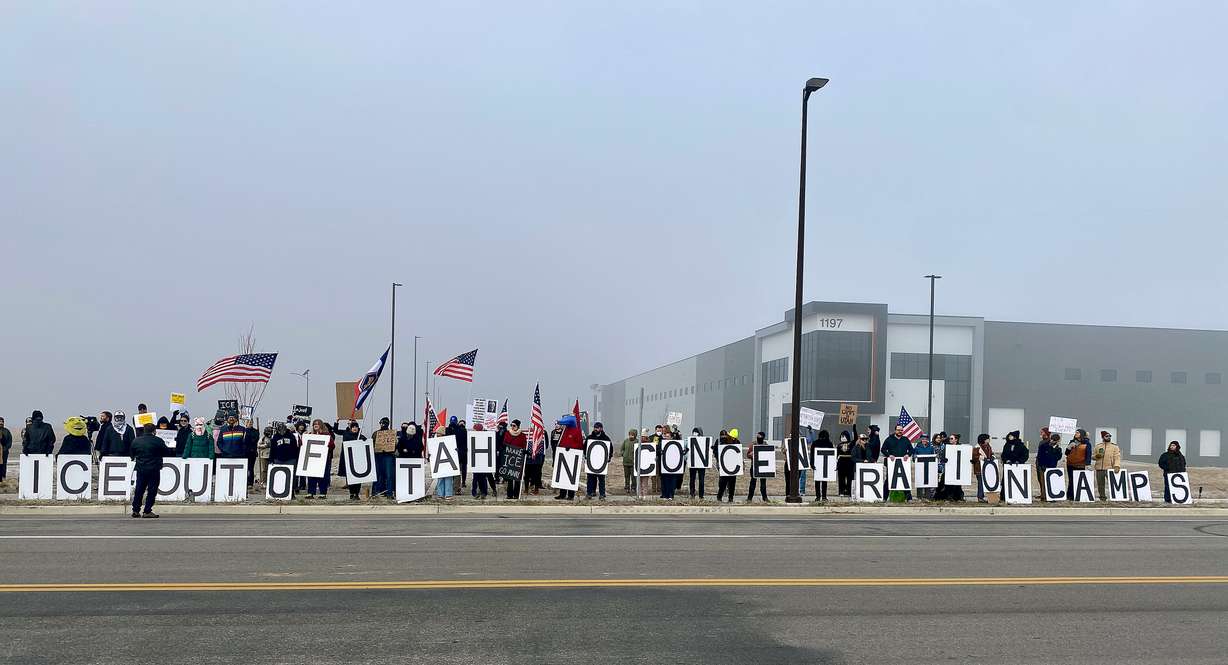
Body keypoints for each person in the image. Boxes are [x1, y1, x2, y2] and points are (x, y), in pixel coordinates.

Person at [130, 423, 168, 518]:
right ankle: (147, 511)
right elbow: (166, 452)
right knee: (152, 490)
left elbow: (131, 454)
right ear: (154, 431)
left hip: (141, 468)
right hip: (154, 469)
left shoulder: (136, 441)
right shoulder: (158, 441)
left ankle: (135, 510)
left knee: (139, 489)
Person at [554, 415, 584, 501]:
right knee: (563, 476)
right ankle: (562, 494)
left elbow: (580, 445)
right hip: (563, 456)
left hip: (572, 457)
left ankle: (571, 495)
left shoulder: (577, 432)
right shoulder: (565, 430)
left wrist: (570, 447)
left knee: (571, 476)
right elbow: (562, 441)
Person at [881, 425, 915, 502]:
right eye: (898, 430)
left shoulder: (905, 439)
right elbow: (883, 449)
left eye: (901, 430)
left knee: (905, 480)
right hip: (892, 464)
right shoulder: (889, 439)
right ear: (895, 430)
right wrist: (889, 455)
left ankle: (909, 498)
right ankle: (884, 498)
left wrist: (908, 454)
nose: (900, 431)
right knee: (889, 480)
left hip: (903, 463)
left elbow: (911, 450)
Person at [334, 420, 366, 500]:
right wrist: (337, 422)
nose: (355, 428)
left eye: (356, 427)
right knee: (351, 478)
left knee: (358, 477)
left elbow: (367, 444)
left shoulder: (361, 436)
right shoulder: (346, 434)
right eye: (353, 427)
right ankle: (352, 493)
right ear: (350, 428)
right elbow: (336, 431)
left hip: (358, 460)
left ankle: (356, 494)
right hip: (348, 459)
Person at [307, 420, 336, 498]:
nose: (316, 425)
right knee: (311, 476)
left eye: (317, 424)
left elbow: (332, 445)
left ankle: (323, 493)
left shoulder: (326, 435)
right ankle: (311, 492)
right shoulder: (310, 435)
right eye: (314, 424)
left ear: (321, 425)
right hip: (312, 458)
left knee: (323, 476)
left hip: (324, 458)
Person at [500, 420, 527, 500]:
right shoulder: (508, 433)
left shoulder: (522, 435)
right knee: (510, 477)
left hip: (518, 459)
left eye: (514, 425)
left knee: (517, 477)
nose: (512, 427)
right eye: (511, 425)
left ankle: (516, 494)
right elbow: (504, 442)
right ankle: (509, 494)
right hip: (509, 458)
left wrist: (524, 451)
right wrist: (504, 446)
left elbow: (524, 445)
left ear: (518, 426)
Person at [584, 421, 611, 500]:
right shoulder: (589, 438)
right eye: (595, 427)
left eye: (597, 428)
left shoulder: (606, 438)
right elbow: (585, 447)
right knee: (590, 479)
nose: (596, 429)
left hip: (601, 463)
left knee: (601, 480)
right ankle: (589, 493)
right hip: (591, 462)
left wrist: (609, 457)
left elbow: (610, 449)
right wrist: (586, 456)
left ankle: (602, 494)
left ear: (601, 428)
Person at [1092, 430, 1122, 500]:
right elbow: (1092, 456)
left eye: (1109, 436)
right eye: (1106, 436)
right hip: (1099, 468)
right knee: (1100, 485)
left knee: (1113, 483)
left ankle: (1116, 497)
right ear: (1103, 437)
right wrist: (1096, 456)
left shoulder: (1115, 447)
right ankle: (1102, 497)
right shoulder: (1098, 446)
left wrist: (1117, 466)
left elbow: (1117, 457)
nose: (1108, 437)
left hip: (1110, 468)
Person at [373, 417, 397, 498]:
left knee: (389, 475)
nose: (383, 425)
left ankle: (389, 493)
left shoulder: (392, 434)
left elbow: (395, 445)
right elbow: (372, 444)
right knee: (378, 475)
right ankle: (376, 492)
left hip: (388, 456)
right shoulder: (376, 433)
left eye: (385, 423)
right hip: (378, 456)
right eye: (382, 423)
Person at [470, 423, 495, 500]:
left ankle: (483, 492)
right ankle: (476, 492)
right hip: (476, 459)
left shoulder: (485, 437)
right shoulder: (472, 437)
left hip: (483, 460)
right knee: (476, 478)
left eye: (474, 429)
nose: (473, 430)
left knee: (482, 477)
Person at [1065, 429, 1093, 497]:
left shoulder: (1087, 443)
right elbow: (1066, 453)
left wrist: (1088, 464)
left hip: (1080, 464)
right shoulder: (1072, 442)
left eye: (1077, 432)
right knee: (1071, 480)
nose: (1076, 433)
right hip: (1070, 464)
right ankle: (1070, 495)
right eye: (1075, 432)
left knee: (1078, 480)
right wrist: (1069, 447)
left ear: (1081, 434)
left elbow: (1088, 454)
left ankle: (1078, 495)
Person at [1036, 432, 1063, 501]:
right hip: (1043, 466)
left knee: (1051, 482)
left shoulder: (1058, 448)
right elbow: (1040, 456)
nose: (1052, 441)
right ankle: (1043, 496)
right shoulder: (1044, 446)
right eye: (1052, 440)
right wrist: (1042, 465)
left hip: (1052, 467)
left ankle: (1051, 495)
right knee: (1043, 482)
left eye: (1054, 440)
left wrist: (1055, 449)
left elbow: (1058, 457)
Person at [745, 432, 771, 502]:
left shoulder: (765, 444)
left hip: (763, 467)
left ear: (763, 437)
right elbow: (748, 455)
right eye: (757, 436)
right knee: (753, 483)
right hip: (754, 466)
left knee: (763, 484)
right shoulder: (753, 444)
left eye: (760, 436)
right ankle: (749, 498)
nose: (758, 437)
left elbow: (769, 454)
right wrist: (751, 454)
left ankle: (764, 497)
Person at [432, 425, 455, 500]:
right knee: (440, 478)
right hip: (439, 462)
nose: (437, 435)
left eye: (439, 433)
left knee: (448, 478)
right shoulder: (435, 441)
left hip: (448, 462)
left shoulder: (449, 441)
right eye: (437, 433)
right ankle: (440, 494)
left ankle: (448, 494)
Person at [715, 430, 738, 502]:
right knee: (723, 481)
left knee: (732, 482)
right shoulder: (720, 441)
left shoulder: (736, 442)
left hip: (732, 465)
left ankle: (730, 497)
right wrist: (718, 460)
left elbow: (738, 453)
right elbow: (715, 451)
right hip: (724, 464)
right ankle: (719, 496)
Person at [446, 416, 469, 490]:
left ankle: (450, 487)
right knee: (458, 471)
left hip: (450, 453)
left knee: (452, 471)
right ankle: (457, 487)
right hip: (460, 453)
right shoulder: (461, 430)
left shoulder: (447, 430)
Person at [811, 429, 834, 501]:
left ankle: (818, 496)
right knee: (824, 481)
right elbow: (832, 456)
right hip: (826, 465)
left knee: (817, 481)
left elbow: (812, 455)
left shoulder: (815, 443)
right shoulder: (829, 443)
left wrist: (812, 463)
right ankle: (824, 496)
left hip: (817, 464)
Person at [972, 434, 994, 503]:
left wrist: (992, 456)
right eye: (988, 438)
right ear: (984, 439)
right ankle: (980, 497)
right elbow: (974, 456)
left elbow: (991, 454)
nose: (989, 440)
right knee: (981, 483)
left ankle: (990, 497)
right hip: (979, 468)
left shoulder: (988, 447)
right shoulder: (977, 447)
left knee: (987, 483)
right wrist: (982, 458)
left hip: (987, 468)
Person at [687, 426, 707, 500]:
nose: (695, 434)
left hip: (701, 464)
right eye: (694, 432)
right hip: (693, 463)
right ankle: (692, 493)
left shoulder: (704, 441)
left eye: (697, 432)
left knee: (701, 480)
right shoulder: (690, 441)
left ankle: (701, 495)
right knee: (692, 479)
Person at [835, 430, 855, 496]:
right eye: (841, 436)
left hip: (849, 462)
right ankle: (841, 491)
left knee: (850, 478)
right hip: (841, 462)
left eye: (844, 436)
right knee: (841, 478)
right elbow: (836, 455)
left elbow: (855, 439)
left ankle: (849, 491)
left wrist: (854, 429)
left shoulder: (851, 444)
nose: (842, 438)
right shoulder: (839, 445)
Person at [242, 418, 260, 489]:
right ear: (245, 423)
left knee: (250, 468)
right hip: (244, 452)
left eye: (251, 422)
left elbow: (254, 440)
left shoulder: (255, 431)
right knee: (245, 467)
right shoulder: (243, 431)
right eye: (248, 422)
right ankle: (244, 481)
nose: (250, 423)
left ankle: (250, 483)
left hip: (252, 452)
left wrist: (248, 431)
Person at [621, 428, 637, 493]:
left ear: (635, 435)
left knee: (633, 476)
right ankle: (627, 487)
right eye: (630, 434)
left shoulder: (637, 442)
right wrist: (623, 454)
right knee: (626, 476)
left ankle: (633, 487)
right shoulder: (626, 441)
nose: (631, 436)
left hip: (633, 463)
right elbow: (622, 449)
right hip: (625, 462)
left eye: (632, 435)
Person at [0, 417, 11, 482]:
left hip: (4, 452)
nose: (1, 423)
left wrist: (5, 448)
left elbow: (9, 441)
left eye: (2, 422)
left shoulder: (6, 431)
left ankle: (3, 477)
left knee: (4, 465)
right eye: (0, 421)